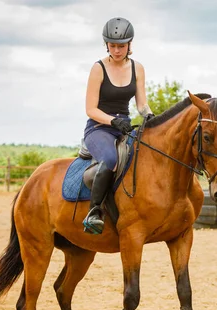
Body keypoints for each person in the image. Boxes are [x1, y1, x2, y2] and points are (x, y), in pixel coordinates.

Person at [82, 17, 154, 235]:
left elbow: (141, 104)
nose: (116, 50)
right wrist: (112, 120)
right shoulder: (98, 68)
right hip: (98, 128)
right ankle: (94, 212)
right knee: (111, 159)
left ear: (129, 45)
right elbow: (90, 109)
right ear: (106, 45)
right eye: (112, 45)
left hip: (123, 127)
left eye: (121, 46)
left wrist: (150, 116)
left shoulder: (138, 68)